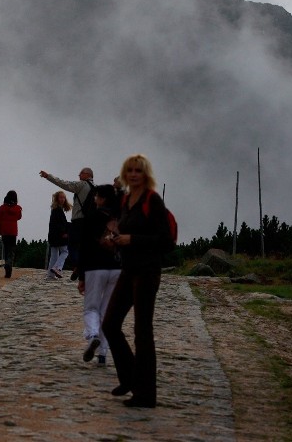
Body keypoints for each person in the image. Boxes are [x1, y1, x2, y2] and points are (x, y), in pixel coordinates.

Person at [102, 154, 173, 408]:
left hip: (147, 271)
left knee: (142, 332)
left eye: (138, 171)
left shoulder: (152, 200)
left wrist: (132, 240)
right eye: (130, 170)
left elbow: (166, 241)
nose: (133, 174)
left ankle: (145, 395)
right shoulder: (125, 200)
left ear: (146, 174)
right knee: (110, 324)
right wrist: (116, 238)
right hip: (128, 269)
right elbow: (124, 228)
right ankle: (132, 378)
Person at [77, 184, 122, 368]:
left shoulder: (92, 217)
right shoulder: (120, 218)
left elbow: (84, 248)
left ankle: (93, 335)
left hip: (95, 267)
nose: (94, 200)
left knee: (91, 308)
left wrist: (81, 276)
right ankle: (103, 354)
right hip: (117, 269)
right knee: (107, 311)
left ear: (102, 199)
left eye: (96, 197)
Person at [39, 167, 94, 280]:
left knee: (70, 247)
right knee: (83, 247)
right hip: (89, 222)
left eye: (80, 174)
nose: (79, 176)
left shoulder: (82, 185)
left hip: (78, 221)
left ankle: (75, 267)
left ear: (87, 174)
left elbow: (64, 184)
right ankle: (80, 270)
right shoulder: (95, 188)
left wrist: (48, 176)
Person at [0, 190, 22, 279]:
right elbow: (19, 217)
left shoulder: (2, 208)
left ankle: (7, 266)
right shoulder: (17, 208)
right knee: (11, 251)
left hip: (4, 232)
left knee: (6, 250)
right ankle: (9, 266)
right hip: (13, 232)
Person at [46, 190, 71, 280]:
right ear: (57, 198)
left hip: (53, 236)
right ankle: (57, 268)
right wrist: (65, 232)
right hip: (59, 236)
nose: (63, 199)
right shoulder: (58, 210)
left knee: (54, 255)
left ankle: (50, 275)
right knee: (65, 251)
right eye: (61, 197)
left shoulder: (55, 209)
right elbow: (60, 224)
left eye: (64, 197)